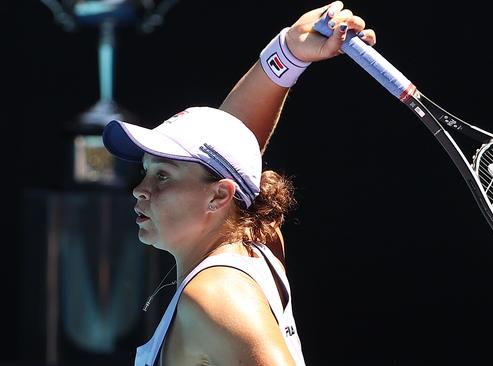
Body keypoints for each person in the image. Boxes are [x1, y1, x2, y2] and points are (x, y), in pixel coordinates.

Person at [101, 2, 377, 365]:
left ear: (218, 196)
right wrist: (288, 53)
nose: (141, 189)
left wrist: (289, 53)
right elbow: (234, 147)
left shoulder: (215, 294)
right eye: (146, 172)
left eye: (163, 175)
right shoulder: (251, 243)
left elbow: (228, 157)